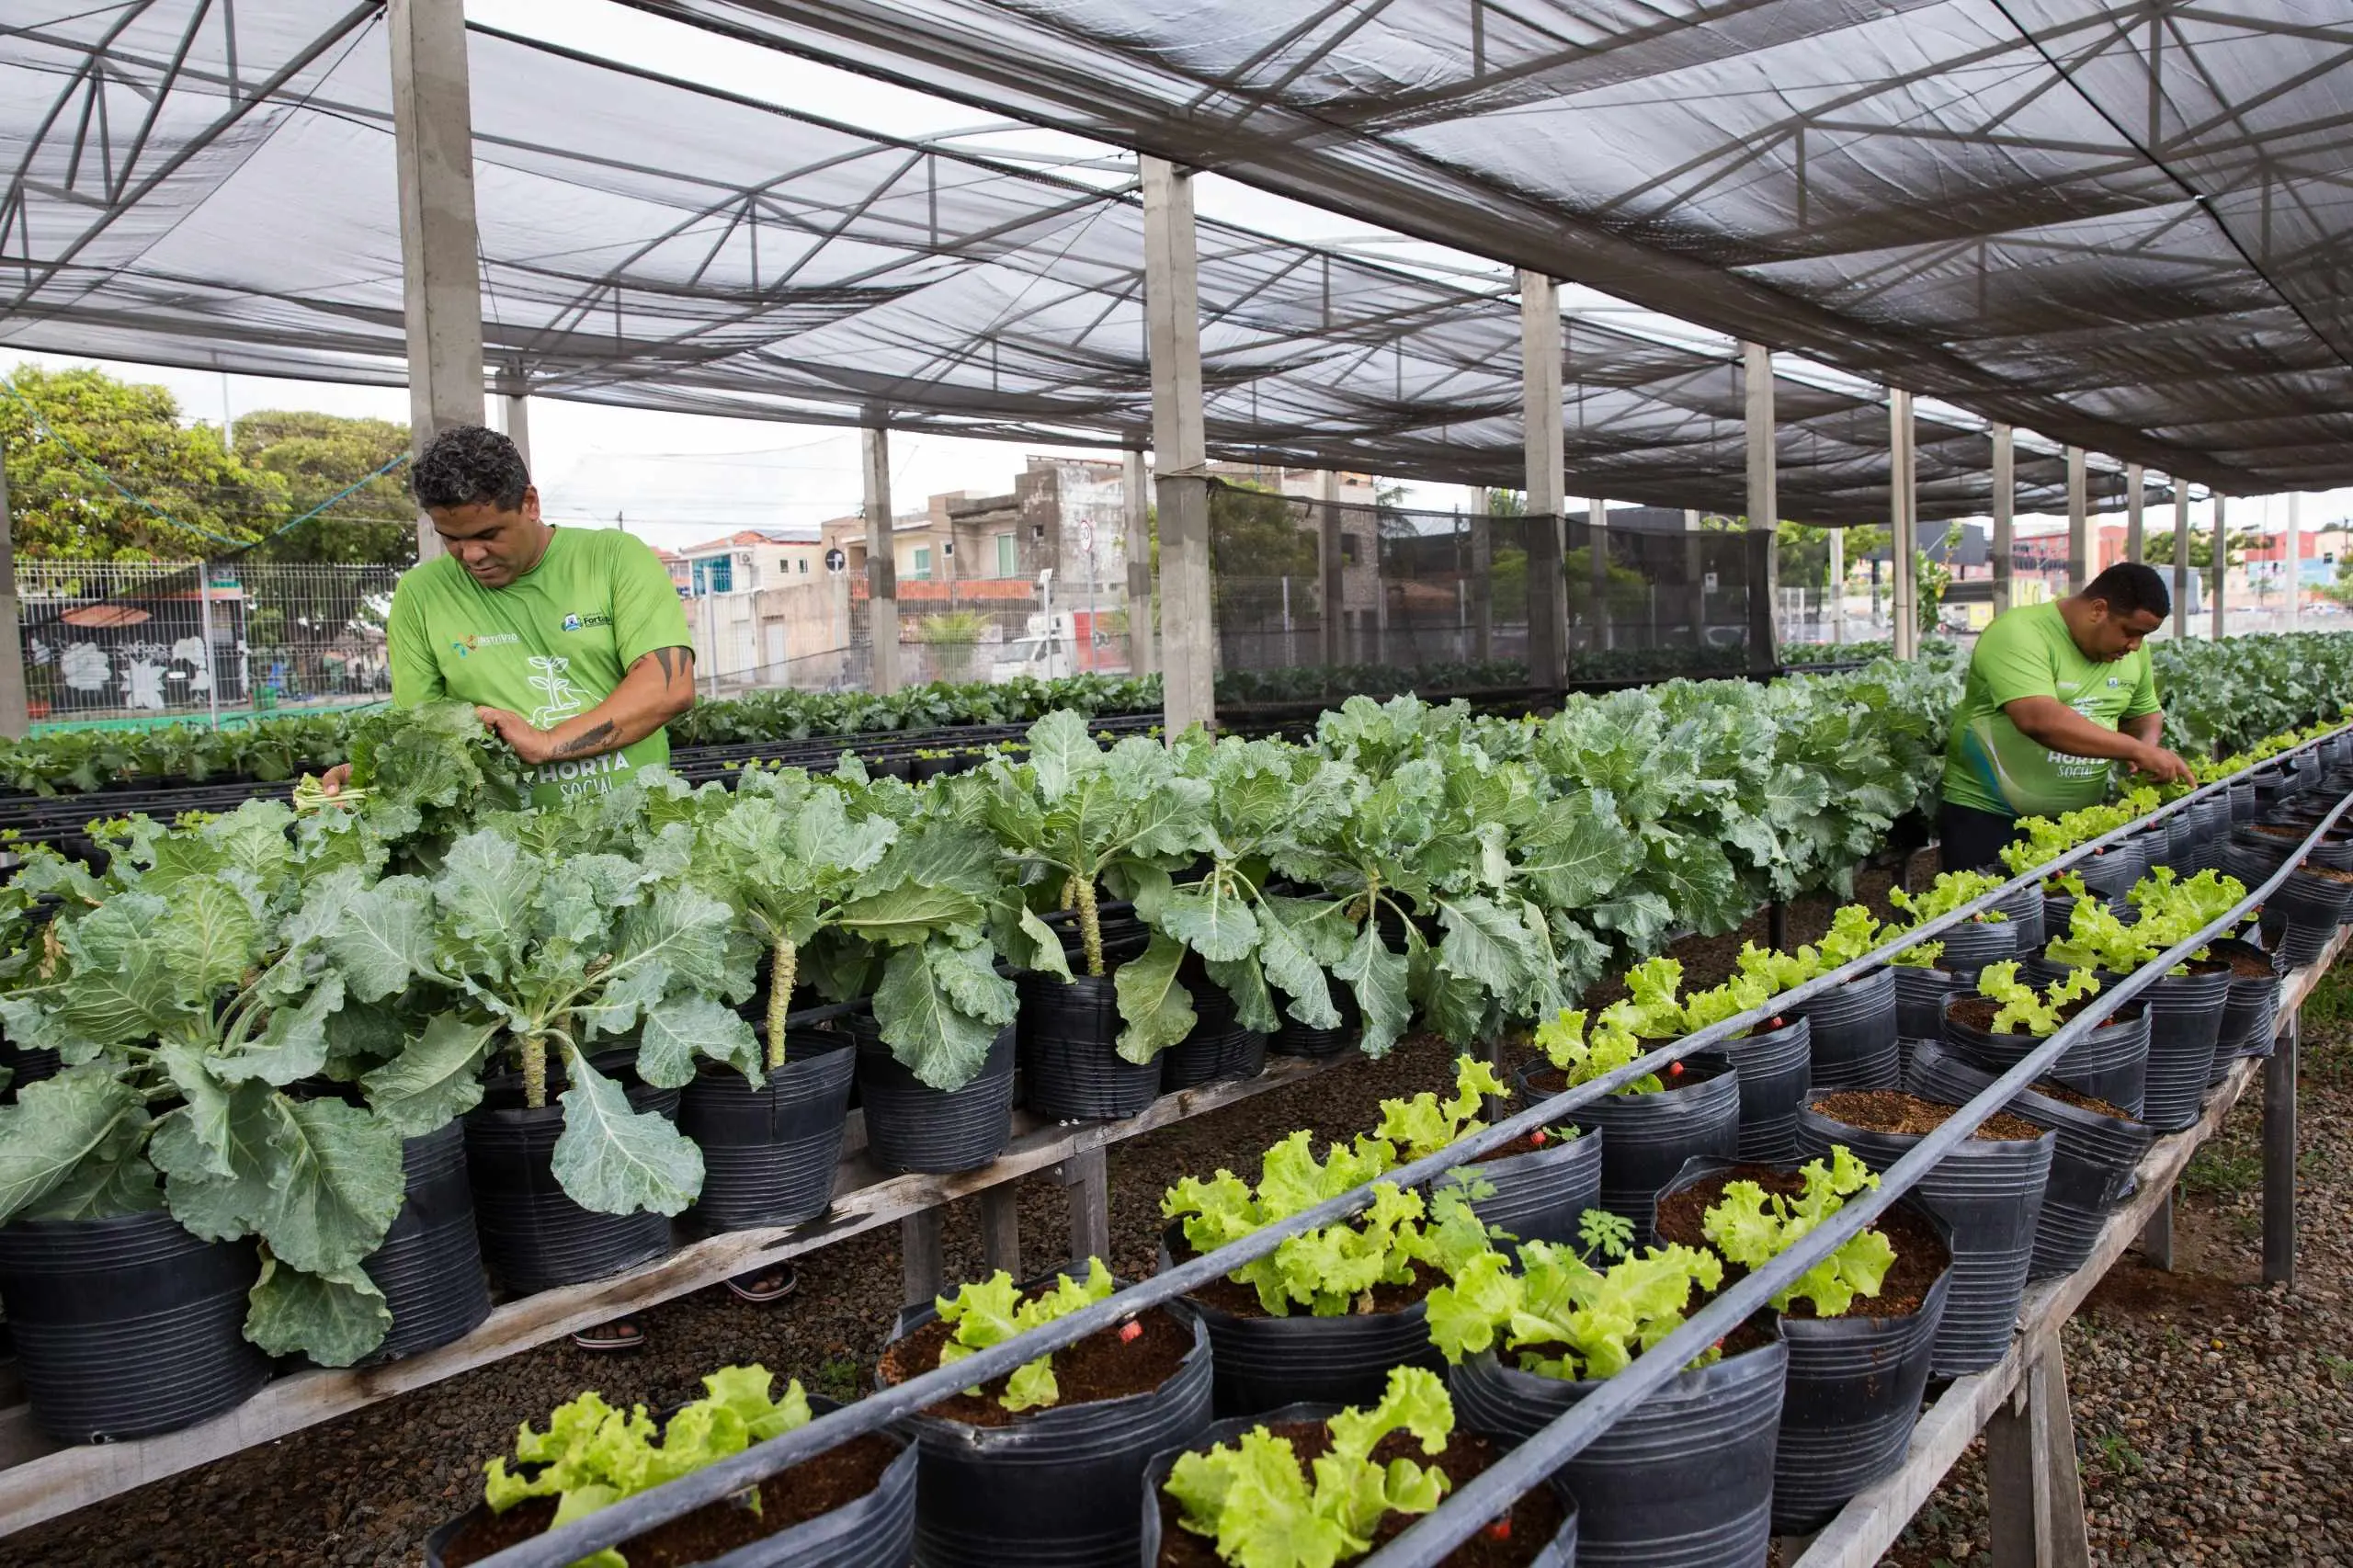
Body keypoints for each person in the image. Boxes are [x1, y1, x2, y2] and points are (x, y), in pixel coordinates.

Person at [320, 425, 795, 1346]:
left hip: (642, 845)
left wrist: (551, 739)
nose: (471, 554)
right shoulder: (421, 596)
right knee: (553, 1054)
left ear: (529, 504)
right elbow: (420, 731)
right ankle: (597, 1256)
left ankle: (738, 1226)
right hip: (511, 869)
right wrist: (352, 783)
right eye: (451, 537)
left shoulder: (613, 561)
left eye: (487, 533)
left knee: (683, 1028)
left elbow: (665, 685)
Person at [1938, 561, 2197, 872]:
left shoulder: (2133, 652)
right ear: (2098, 609)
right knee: (1989, 917)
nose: (2135, 645)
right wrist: (2137, 750)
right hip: (1990, 818)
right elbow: (2038, 719)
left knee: (2065, 917)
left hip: (2078, 823)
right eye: (2131, 632)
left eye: (2144, 636)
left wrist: (2147, 747)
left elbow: (2144, 713)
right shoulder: (2019, 632)